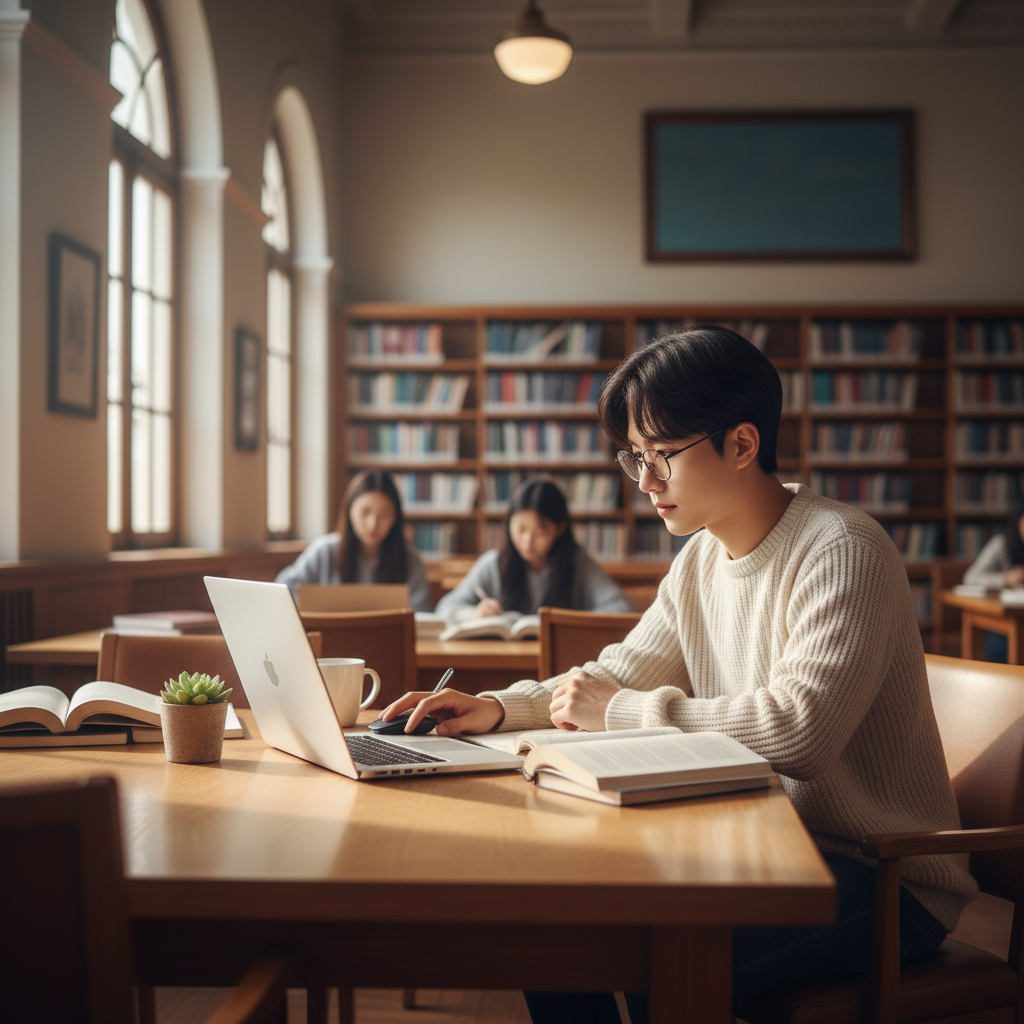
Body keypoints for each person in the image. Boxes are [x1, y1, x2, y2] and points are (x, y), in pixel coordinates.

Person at [380, 327, 977, 1023]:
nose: (644, 481)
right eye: (633, 457)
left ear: (743, 445)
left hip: (882, 878)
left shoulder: (842, 548)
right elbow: (615, 674)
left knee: (655, 950)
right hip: (763, 839)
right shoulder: (699, 560)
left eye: (661, 455)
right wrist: (497, 709)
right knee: (552, 931)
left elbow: (800, 732)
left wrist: (624, 711)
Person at [434, 477, 631, 621]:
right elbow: (445, 607)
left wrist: (570, 621)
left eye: (540, 532)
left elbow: (621, 608)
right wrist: (474, 614)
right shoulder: (493, 563)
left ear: (560, 529)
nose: (527, 541)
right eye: (520, 529)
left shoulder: (578, 563)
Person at [275, 469, 431, 611]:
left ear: (395, 518)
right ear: (349, 511)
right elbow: (283, 589)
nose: (373, 524)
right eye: (365, 512)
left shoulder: (409, 559)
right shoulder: (324, 551)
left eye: (384, 515)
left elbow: (420, 612)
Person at [961, 494, 1024, 660]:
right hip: (1006, 619)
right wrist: (1005, 578)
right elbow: (970, 578)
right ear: (1018, 520)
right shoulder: (1001, 545)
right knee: (999, 647)